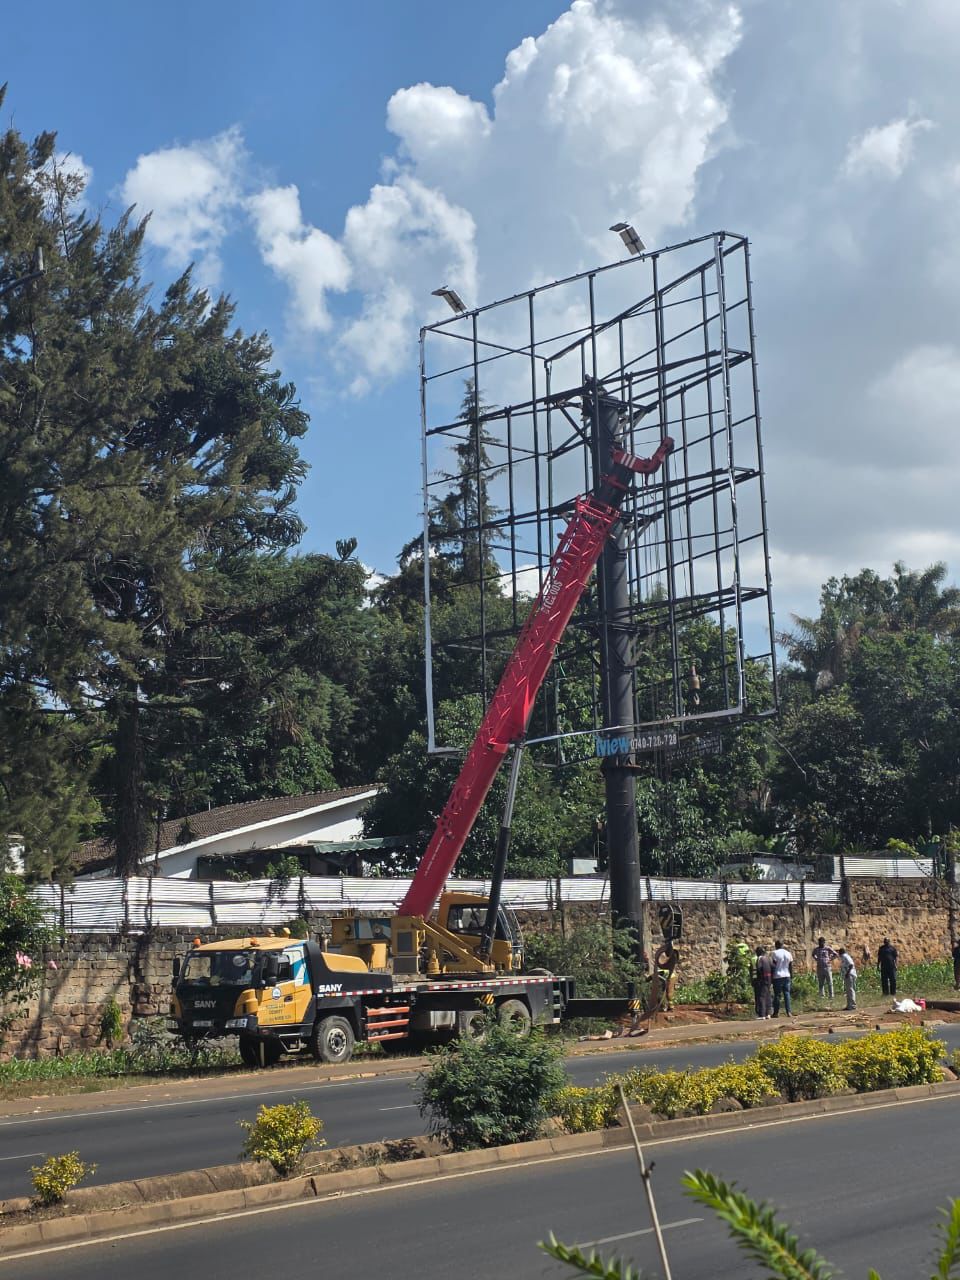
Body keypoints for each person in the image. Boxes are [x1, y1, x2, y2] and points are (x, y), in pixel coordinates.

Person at [771, 938, 794, 1017]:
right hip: (787, 975)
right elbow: (790, 966)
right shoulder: (788, 953)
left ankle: (776, 1013)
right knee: (787, 994)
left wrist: (771, 977)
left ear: (776, 945)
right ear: (782, 945)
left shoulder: (774, 953)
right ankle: (789, 1012)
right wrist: (791, 976)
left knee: (777, 995)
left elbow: (773, 966)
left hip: (777, 976)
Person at [754, 945, 774, 1019]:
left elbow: (759, 968)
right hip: (769, 979)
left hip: (762, 979)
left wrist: (759, 978)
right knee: (768, 996)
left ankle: (762, 1014)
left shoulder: (760, 959)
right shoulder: (768, 958)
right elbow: (773, 967)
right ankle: (768, 1014)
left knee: (761, 996)